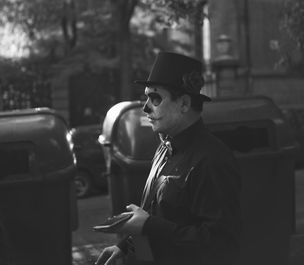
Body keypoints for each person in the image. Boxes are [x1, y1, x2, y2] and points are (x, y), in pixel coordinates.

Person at [96, 52, 241, 265]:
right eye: (146, 97)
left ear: (183, 103)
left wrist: (148, 226)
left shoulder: (212, 160)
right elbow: (157, 214)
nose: (145, 107)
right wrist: (125, 246)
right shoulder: (165, 148)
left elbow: (220, 244)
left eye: (155, 98)